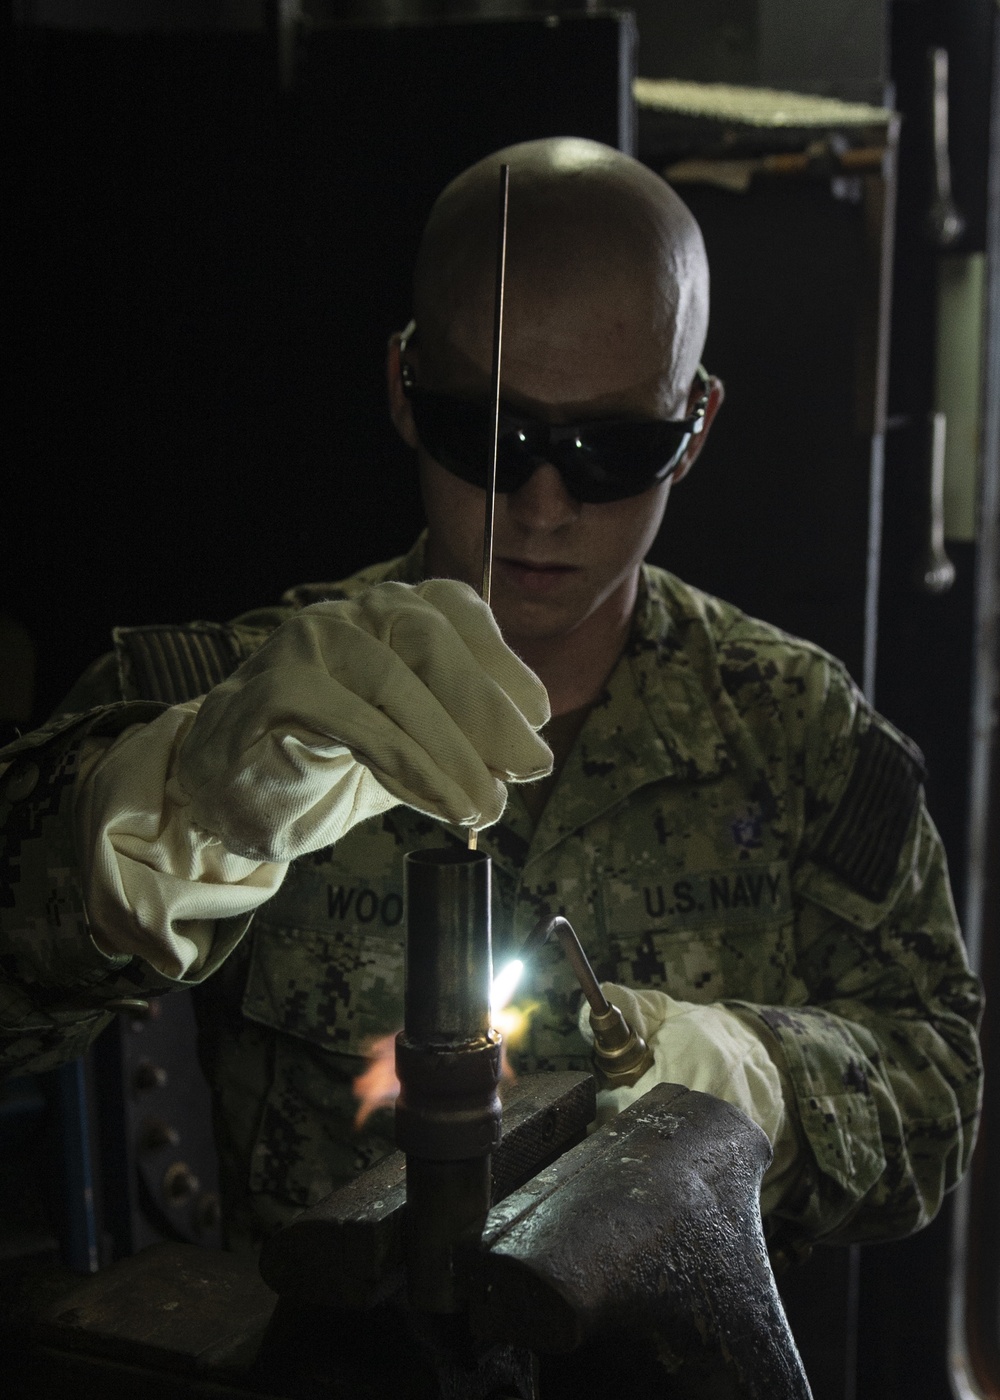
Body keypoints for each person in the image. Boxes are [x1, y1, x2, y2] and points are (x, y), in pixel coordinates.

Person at [0, 138, 982, 1263]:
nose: (545, 503)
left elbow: (936, 1090)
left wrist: (748, 1078)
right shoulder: (237, 705)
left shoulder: (799, 734)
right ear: (404, 393)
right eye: (491, 434)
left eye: (616, 447)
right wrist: (156, 822)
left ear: (696, 425)